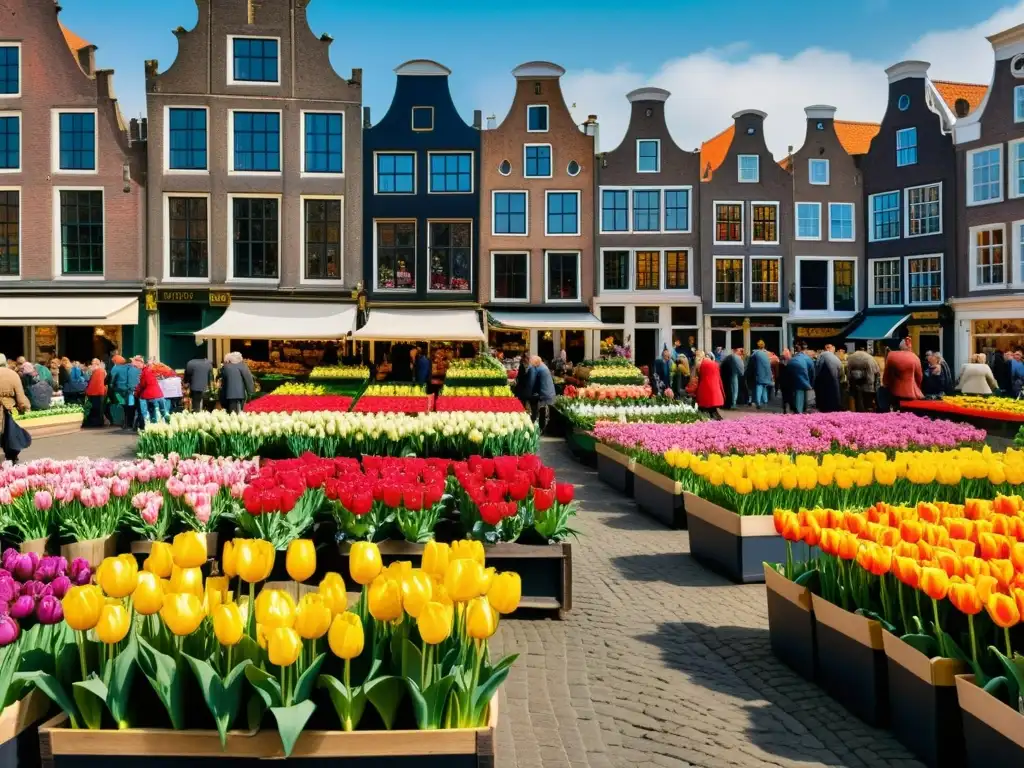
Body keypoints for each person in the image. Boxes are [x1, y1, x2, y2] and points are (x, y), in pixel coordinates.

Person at [0, 354, 30, 463]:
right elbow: (20, 396)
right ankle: (11, 459)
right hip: (7, 410)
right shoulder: (12, 375)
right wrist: (24, 407)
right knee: (9, 435)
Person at [882, 338, 924, 409]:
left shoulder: (891, 355)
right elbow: (919, 377)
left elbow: (887, 374)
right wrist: (918, 388)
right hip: (911, 392)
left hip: (894, 391)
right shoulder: (915, 357)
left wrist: (885, 384)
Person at [847, 346, 881, 412]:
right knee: (868, 405)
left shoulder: (851, 357)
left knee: (857, 403)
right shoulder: (869, 358)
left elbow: (848, 374)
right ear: (865, 350)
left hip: (855, 384)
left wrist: (851, 386)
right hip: (868, 385)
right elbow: (874, 373)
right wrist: (873, 390)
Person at [135, 359, 168, 425]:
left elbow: (143, 384)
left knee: (151, 414)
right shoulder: (151, 371)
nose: (136, 367)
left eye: (137, 365)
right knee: (163, 412)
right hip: (159, 394)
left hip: (150, 396)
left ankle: (152, 427)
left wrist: (136, 393)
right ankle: (168, 425)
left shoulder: (145, 372)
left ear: (141, 363)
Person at [694, 350, 724, 420]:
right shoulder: (714, 363)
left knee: (704, 407)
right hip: (715, 389)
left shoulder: (700, 364)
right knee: (713, 409)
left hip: (705, 389)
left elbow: (699, 378)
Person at [814, 344, 843, 413]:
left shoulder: (822, 355)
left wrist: (815, 378)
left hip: (824, 380)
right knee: (834, 395)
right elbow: (840, 369)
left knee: (825, 397)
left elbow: (818, 367)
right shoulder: (836, 358)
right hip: (835, 379)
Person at [787, 344, 816, 414]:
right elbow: (812, 372)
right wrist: (811, 384)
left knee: (796, 388)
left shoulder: (795, 357)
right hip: (800, 371)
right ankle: (800, 410)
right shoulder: (808, 358)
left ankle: (795, 408)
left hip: (791, 367)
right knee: (801, 389)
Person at [747, 340, 773, 409]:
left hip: (759, 373)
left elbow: (750, 365)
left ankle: (758, 402)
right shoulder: (768, 353)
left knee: (759, 386)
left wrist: (748, 373)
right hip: (767, 373)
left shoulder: (755, 354)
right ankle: (765, 401)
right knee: (764, 387)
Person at [531, 356, 556, 429]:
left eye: (533, 364)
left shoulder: (540, 369)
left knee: (542, 410)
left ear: (536, 363)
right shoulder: (544, 367)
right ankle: (547, 427)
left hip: (545, 393)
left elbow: (534, 381)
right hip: (549, 392)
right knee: (548, 411)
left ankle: (542, 427)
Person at [83, 360, 107, 428]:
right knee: (98, 409)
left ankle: (96, 423)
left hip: (96, 393)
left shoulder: (98, 371)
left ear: (97, 364)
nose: (91, 366)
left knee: (95, 408)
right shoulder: (101, 371)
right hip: (98, 392)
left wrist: (87, 391)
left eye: (93, 364)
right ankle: (99, 422)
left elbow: (94, 384)